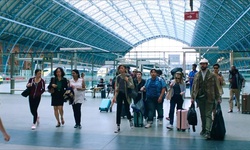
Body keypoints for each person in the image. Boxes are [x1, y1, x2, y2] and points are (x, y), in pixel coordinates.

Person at [191, 58, 220, 139]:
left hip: (210, 97)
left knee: (208, 114)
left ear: (207, 65)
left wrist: (218, 97)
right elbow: (194, 87)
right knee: (202, 115)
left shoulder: (212, 75)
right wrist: (192, 97)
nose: (202, 65)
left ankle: (207, 131)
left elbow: (216, 87)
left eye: (204, 64)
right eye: (201, 64)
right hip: (200, 97)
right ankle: (203, 129)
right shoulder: (197, 75)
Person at [113, 65, 135, 133]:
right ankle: (118, 126)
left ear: (125, 69)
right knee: (118, 110)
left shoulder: (129, 76)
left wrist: (127, 80)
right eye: (120, 68)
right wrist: (114, 96)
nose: (121, 69)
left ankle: (130, 120)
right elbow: (116, 86)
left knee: (126, 109)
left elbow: (132, 86)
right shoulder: (118, 77)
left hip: (126, 95)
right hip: (120, 94)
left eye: (122, 68)